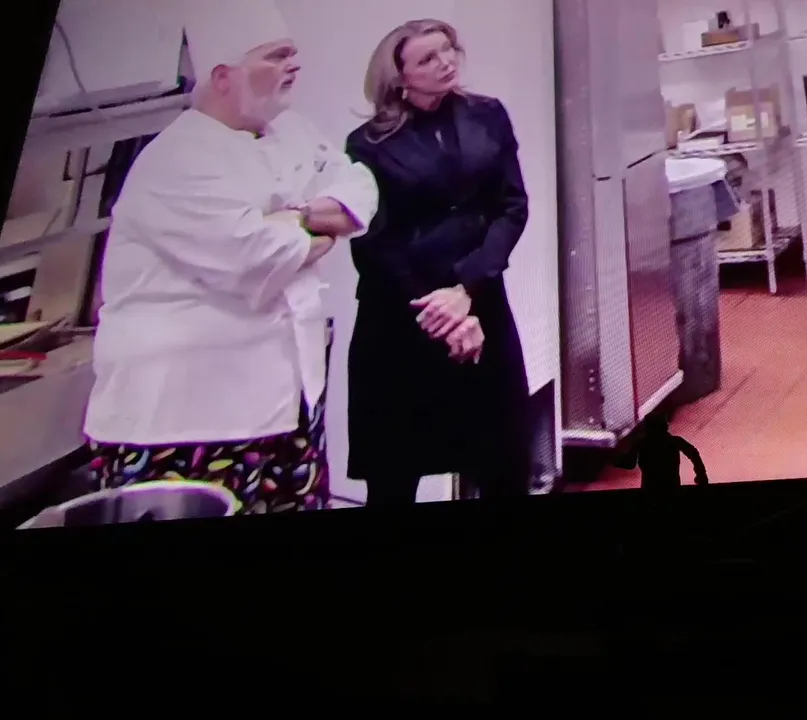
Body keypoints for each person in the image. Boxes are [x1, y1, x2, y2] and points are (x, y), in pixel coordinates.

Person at [82, 0, 378, 514]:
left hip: (287, 404)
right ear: (222, 76)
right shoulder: (177, 158)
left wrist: (295, 218)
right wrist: (316, 230)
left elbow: (359, 187)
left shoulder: (292, 132)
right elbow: (256, 257)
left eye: (293, 54)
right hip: (186, 419)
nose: (294, 66)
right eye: (277, 56)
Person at [344, 19, 532, 507]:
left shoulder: (487, 115)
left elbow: (511, 207)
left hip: (479, 301)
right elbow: (373, 243)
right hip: (405, 315)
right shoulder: (367, 144)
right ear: (399, 77)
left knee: (503, 454)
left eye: (448, 50)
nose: (446, 63)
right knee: (395, 470)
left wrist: (466, 289)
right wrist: (439, 310)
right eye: (428, 58)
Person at [615, 415, 709, 492]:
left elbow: (630, 464)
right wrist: (701, 474)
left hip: (650, 491)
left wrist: (613, 459)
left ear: (646, 428)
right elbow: (694, 454)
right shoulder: (675, 441)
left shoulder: (640, 443)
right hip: (672, 490)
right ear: (666, 426)